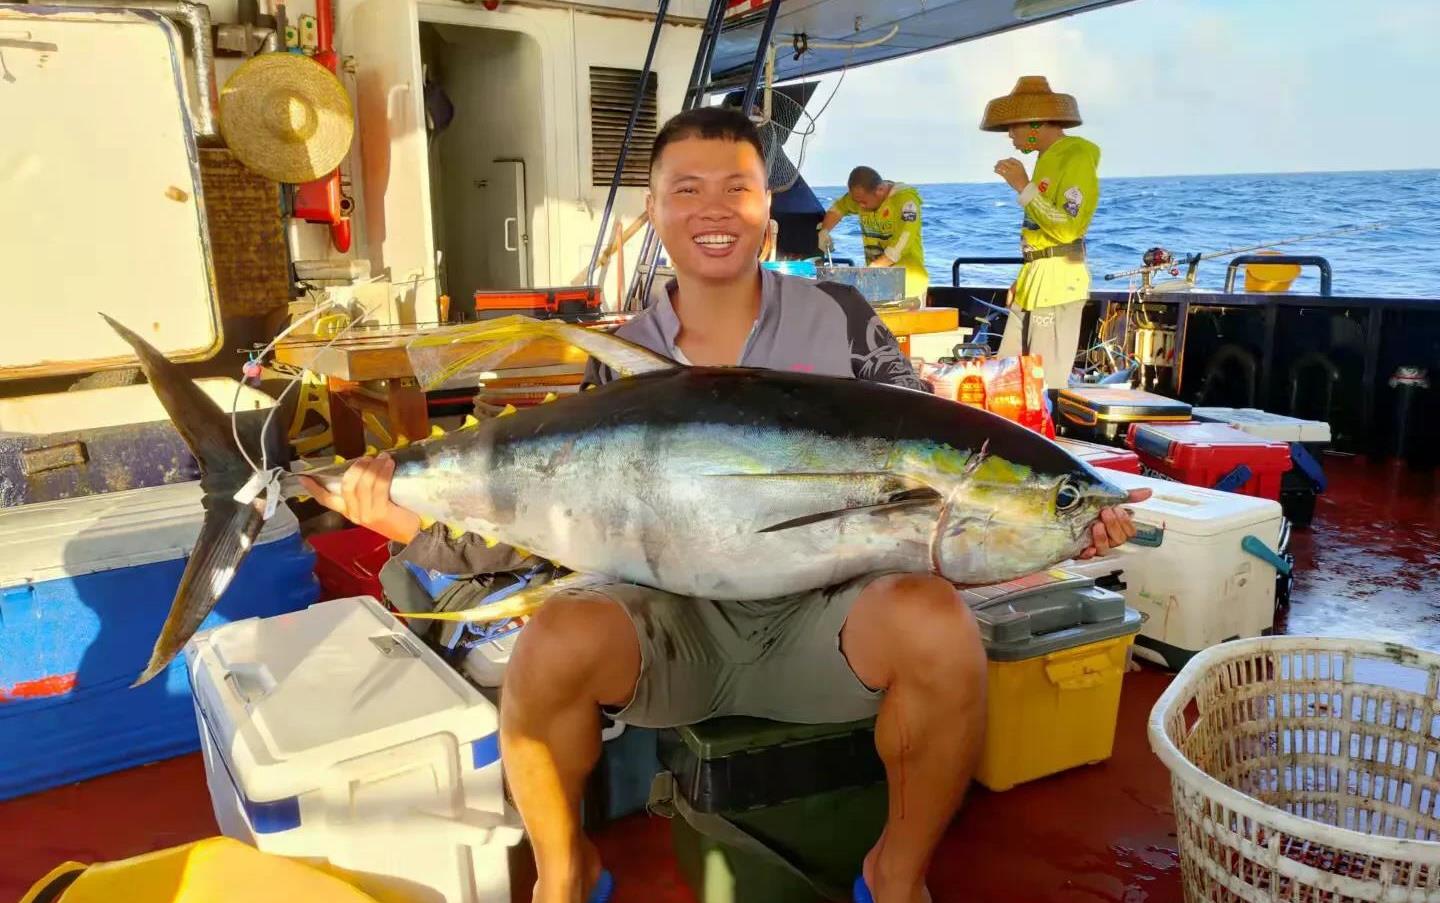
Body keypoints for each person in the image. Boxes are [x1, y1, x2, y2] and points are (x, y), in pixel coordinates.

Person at [301, 106, 1146, 903]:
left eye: (736, 187)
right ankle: (566, 870)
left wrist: (1064, 521)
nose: (714, 209)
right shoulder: (619, 357)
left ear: (768, 209)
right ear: (655, 211)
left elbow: (932, 459)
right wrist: (401, 519)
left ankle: (894, 872)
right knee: (550, 640)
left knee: (938, 625)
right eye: (687, 189)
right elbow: (543, 528)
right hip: (671, 627)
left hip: (826, 622)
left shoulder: (841, 319)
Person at [983, 76, 1101, 388]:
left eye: (1013, 127)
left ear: (1035, 123)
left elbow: (1067, 229)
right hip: (1035, 281)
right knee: (1006, 378)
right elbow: (1039, 230)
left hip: (1058, 285)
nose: (1010, 136)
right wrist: (1023, 279)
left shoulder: (1075, 156)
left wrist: (1023, 186)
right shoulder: (1044, 160)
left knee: (1041, 385)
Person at [817, 167, 929, 301]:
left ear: (880, 190)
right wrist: (824, 231)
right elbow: (838, 209)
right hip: (877, 281)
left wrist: (870, 270)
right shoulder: (861, 198)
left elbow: (900, 246)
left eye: (863, 202)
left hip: (908, 283)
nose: (860, 206)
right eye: (857, 202)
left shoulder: (905, 201)